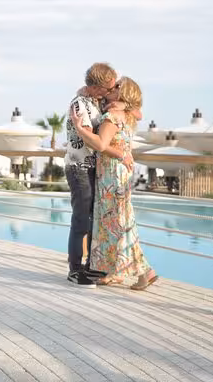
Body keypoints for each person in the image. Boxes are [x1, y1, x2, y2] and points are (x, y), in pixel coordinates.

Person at [71, 76, 158, 290]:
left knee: (117, 224)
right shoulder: (126, 114)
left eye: (117, 86)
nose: (112, 87)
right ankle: (114, 272)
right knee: (115, 223)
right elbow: (138, 111)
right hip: (119, 175)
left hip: (112, 175)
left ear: (122, 93)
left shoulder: (111, 116)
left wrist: (81, 129)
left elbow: (100, 144)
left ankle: (145, 271)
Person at [64, 62, 137, 288]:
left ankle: (91, 265)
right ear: (97, 87)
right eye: (110, 86)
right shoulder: (79, 105)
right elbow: (93, 142)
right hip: (79, 169)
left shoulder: (99, 101)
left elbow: (137, 111)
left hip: (95, 169)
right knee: (81, 219)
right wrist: (121, 154)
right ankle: (75, 269)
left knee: (94, 219)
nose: (113, 89)